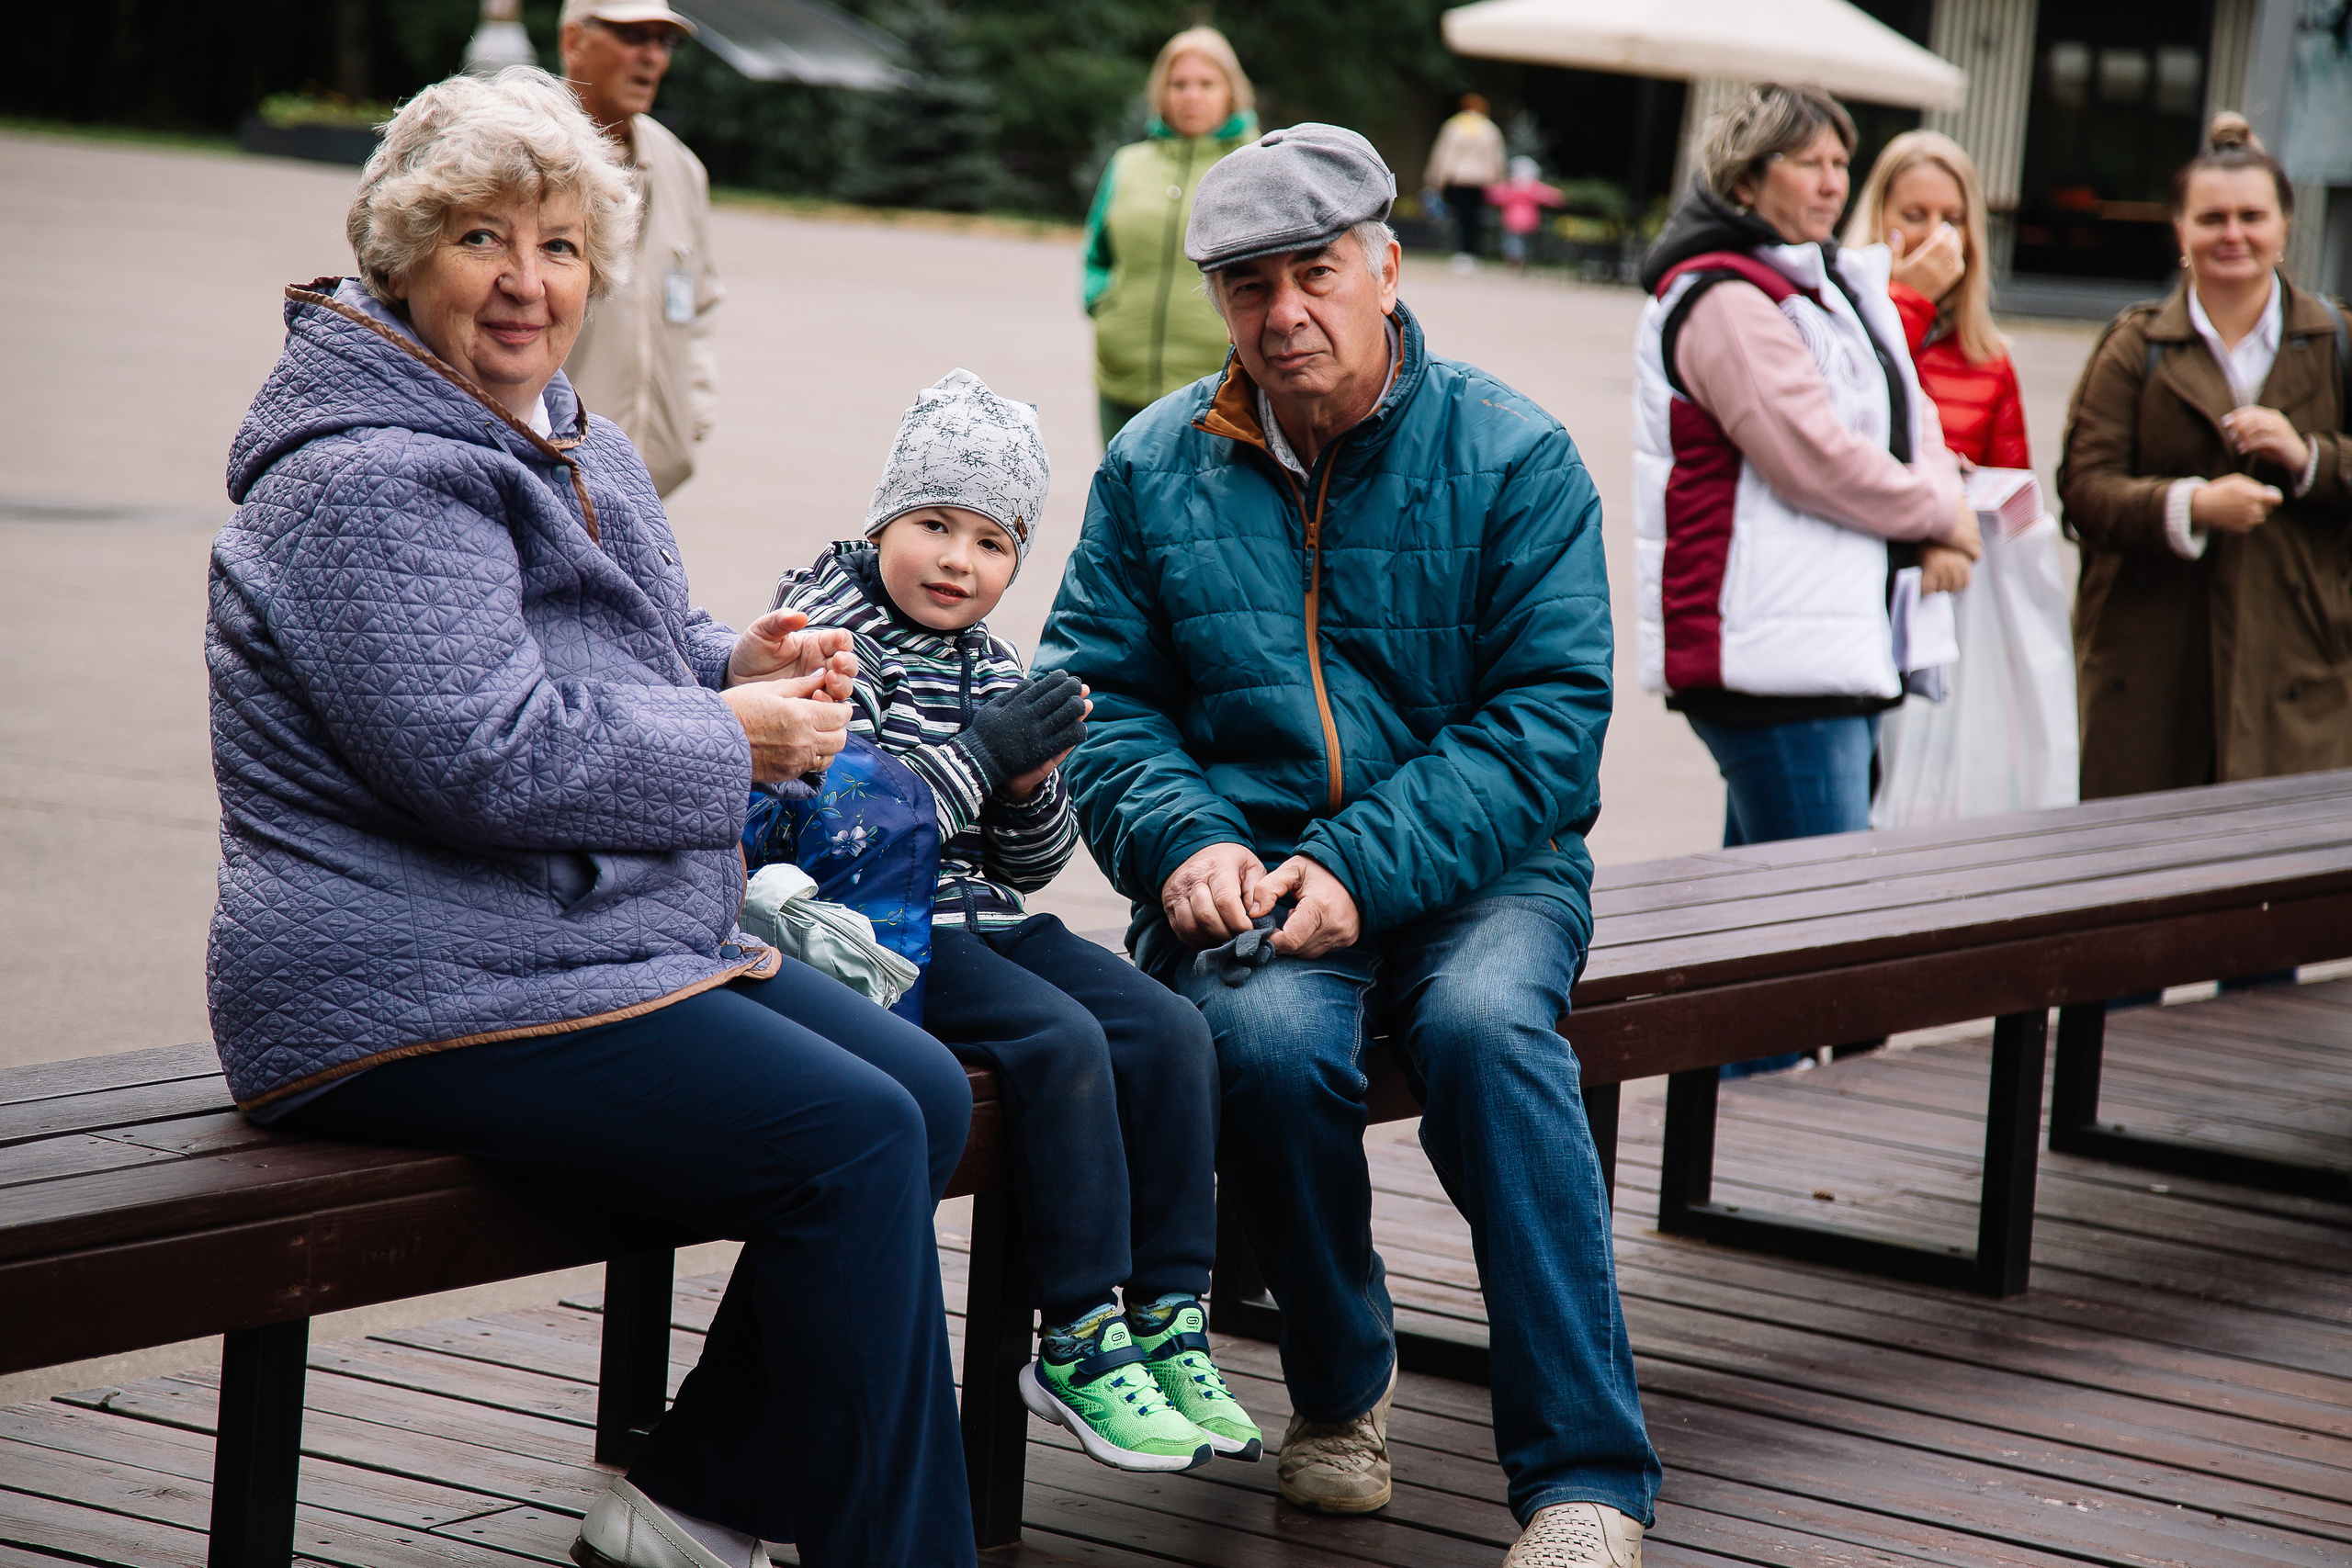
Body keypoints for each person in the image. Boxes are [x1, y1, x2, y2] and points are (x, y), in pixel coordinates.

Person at [207, 68, 976, 1568]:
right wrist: (732, 740)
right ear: (401, 253)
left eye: (560, 245)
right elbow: (477, 750)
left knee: (926, 1093)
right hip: (387, 984)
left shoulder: (572, 434)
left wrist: (727, 664)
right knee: (858, 1135)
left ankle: (697, 1495)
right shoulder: (365, 477)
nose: (527, 281)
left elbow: (593, 660)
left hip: (557, 949)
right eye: (482, 238)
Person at [1040, 122, 1660, 1567]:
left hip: (1487, 869)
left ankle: (1586, 1476)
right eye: (1248, 286)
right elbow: (1095, 701)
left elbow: (1551, 719)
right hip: (1247, 865)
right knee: (1258, 1043)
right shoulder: (1152, 465)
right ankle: (1339, 1384)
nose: (1285, 314)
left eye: (1315, 272)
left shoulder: (1512, 452)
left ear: (1386, 262)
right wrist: (1180, 834)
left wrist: (1363, 868)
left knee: (1492, 1030)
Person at [764, 368, 1258, 1473]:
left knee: (1169, 1025)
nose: (957, 561)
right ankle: (1077, 1332)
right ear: (884, 518)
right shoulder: (829, 642)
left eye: (992, 543)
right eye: (933, 524)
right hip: (885, 938)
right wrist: (981, 758)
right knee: (1063, 1040)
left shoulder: (990, 662)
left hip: (981, 919)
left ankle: (1173, 1313)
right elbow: (848, 842)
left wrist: (1032, 783)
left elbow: (1026, 868)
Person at [1633, 85, 1976, 1074]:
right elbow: (1812, 457)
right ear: (1747, 178)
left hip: (1808, 648)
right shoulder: (1728, 297)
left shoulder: (1797, 282)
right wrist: (1938, 510)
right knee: (1805, 939)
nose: (1834, 181)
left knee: (1755, 933)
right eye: (1809, 162)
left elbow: (1886, 419)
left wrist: (1934, 484)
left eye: (1840, 160)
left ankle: (1720, 1145)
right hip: (1769, 659)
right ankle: (1747, 1151)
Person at [2057, 112, 2352, 801]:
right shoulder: (2135, 348)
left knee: (2285, 881)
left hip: (2303, 669)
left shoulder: (2338, 339)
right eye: (2211, 217)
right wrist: (2190, 504)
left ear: (2285, 227)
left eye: (2252, 216)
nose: (2232, 234)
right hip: (2151, 672)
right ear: (2181, 232)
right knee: (2141, 875)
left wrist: (2308, 456)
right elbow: (2084, 490)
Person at [558, 0, 721, 497]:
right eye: (633, 37)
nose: (652, 57)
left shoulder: (679, 167)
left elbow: (700, 301)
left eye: (663, 40)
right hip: (544, 468)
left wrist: (692, 413)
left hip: (643, 487)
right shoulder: (524, 154)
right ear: (574, 42)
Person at [1080, 28, 1258, 445]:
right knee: (1122, 504)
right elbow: (1096, 252)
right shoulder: (1128, 164)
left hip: (1218, 388)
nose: (1191, 96)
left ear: (1231, 91)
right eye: (1179, 84)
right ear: (1162, 91)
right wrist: (1101, 301)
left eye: (1206, 84)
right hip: (1122, 379)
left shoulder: (1254, 165)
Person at [1846, 130, 2027, 469]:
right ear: (1877, 219)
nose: (1934, 235)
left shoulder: (1990, 363)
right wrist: (1909, 299)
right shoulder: (1831, 322)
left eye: (1952, 220)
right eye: (1914, 215)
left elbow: (2014, 499)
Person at [1423, 94, 1506, 264]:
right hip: (1482, 179)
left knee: (1462, 215)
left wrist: (1435, 177)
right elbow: (1498, 157)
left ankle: (1463, 251)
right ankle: (1473, 250)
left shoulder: (1454, 126)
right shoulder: (1489, 129)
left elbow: (1443, 154)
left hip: (1458, 178)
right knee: (1476, 216)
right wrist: (1499, 179)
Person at [1486, 154, 1564, 273]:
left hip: (1511, 223)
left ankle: (1516, 259)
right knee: (1525, 244)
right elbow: (1556, 198)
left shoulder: (1510, 189)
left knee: (1512, 243)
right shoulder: (1534, 189)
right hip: (1530, 223)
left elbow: (1492, 196)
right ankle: (1522, 259)